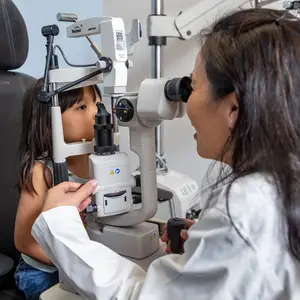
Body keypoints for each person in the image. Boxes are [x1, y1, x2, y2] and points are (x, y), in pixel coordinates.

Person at [30, 8, 300, 300]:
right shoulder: (276, 187)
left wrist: (58, 223)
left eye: (192, 87)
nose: (185, 104)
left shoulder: (245, 211)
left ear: (233, 109)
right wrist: (207, 249)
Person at [14, 78, 102, 300]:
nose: (96, 113)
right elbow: (24, 242)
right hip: (43, 272)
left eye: (98, 103)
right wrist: (76, 265)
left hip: (82, 265)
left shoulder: (102, 162)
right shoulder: (41, 172)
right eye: (82, 107)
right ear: (49, 122)